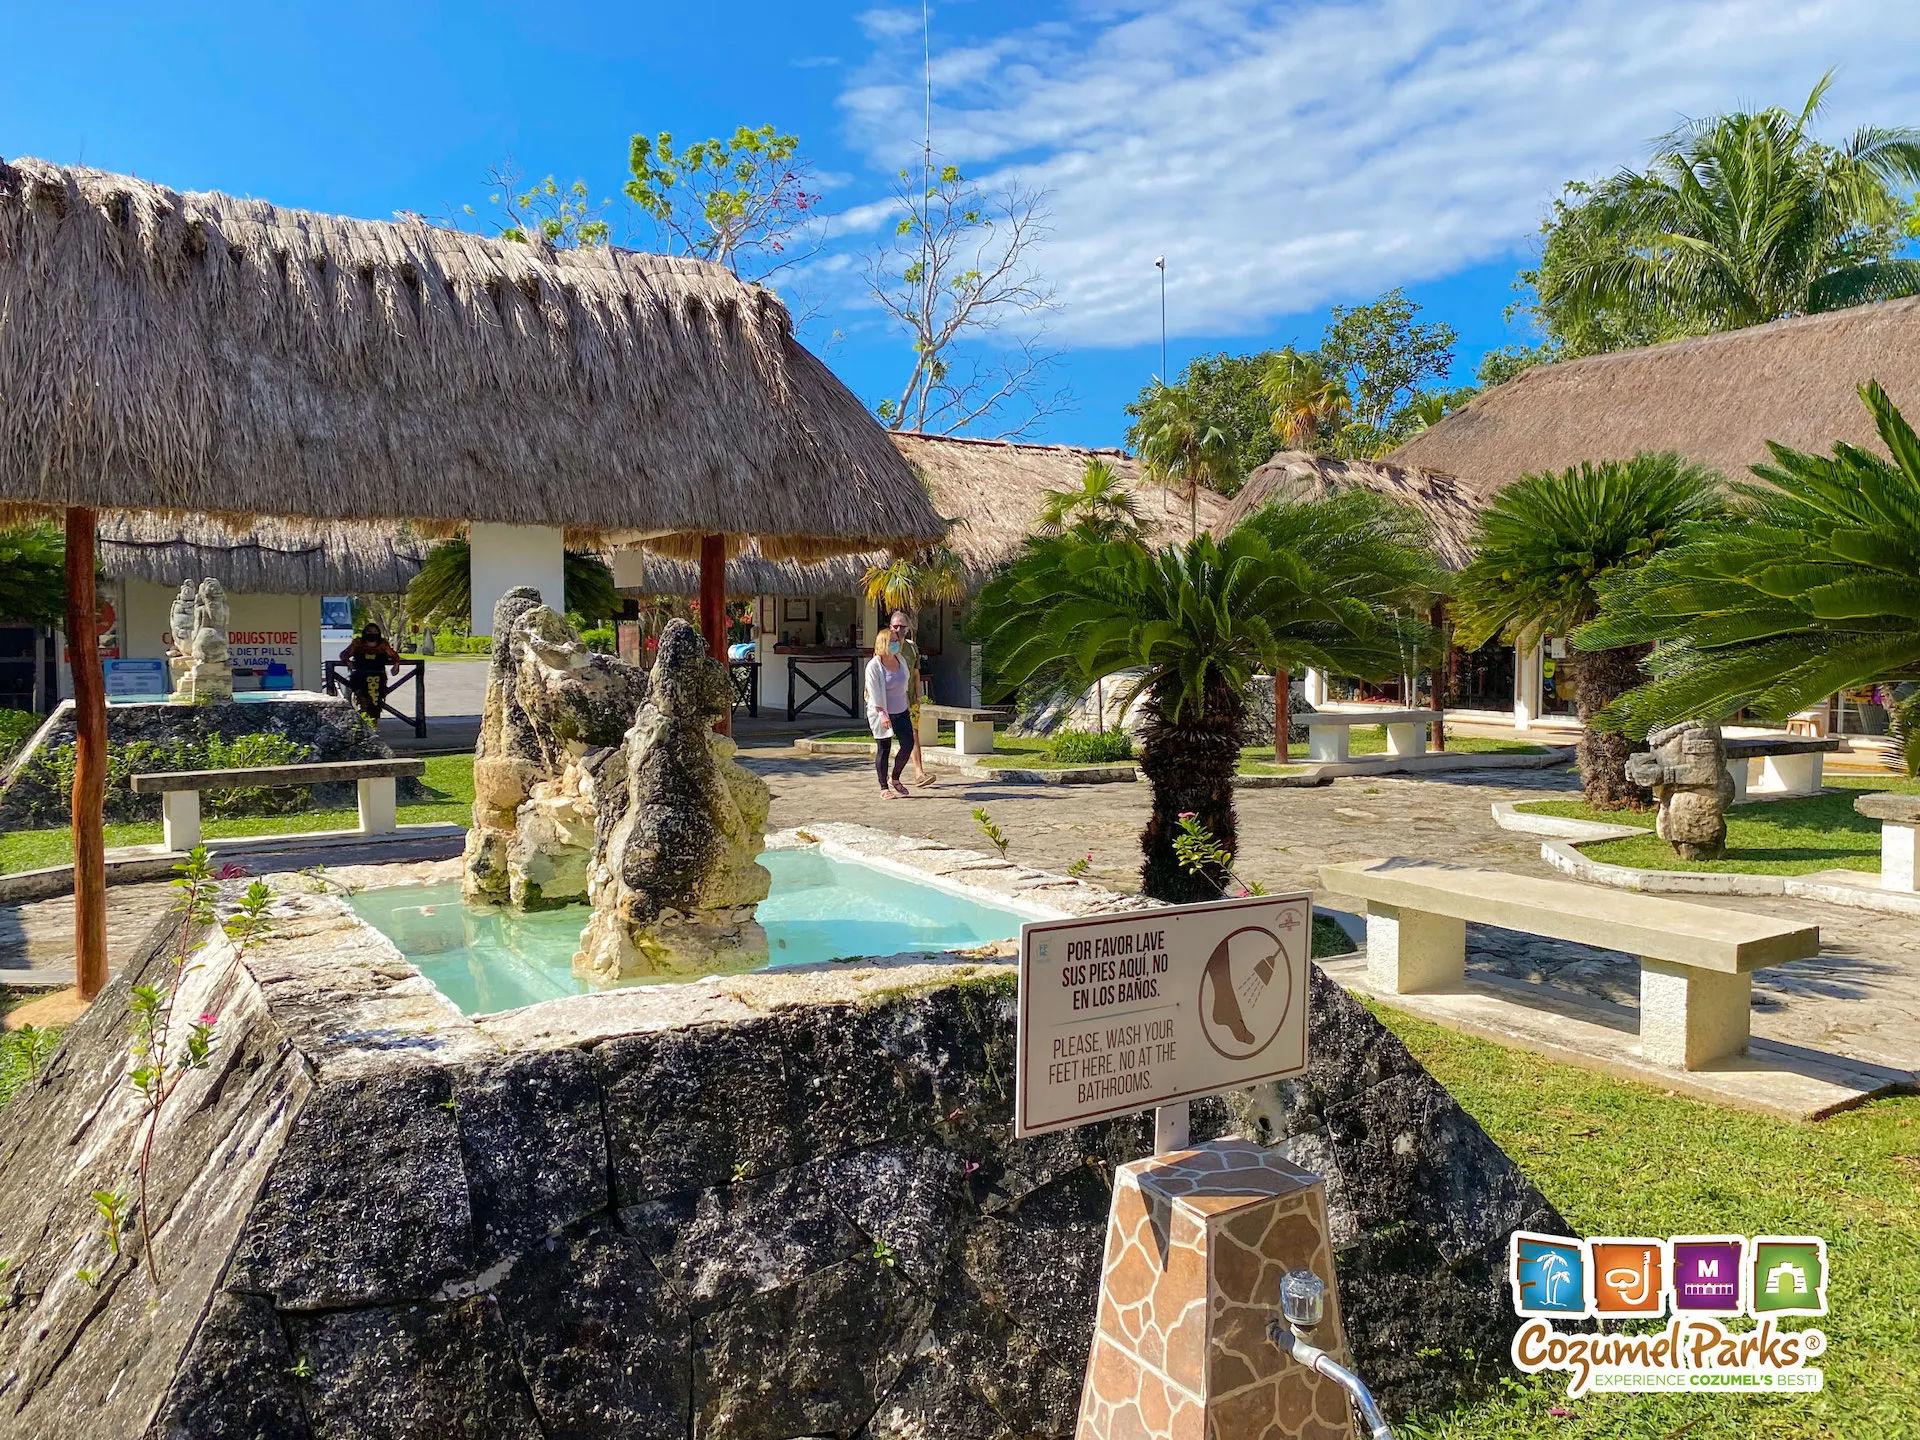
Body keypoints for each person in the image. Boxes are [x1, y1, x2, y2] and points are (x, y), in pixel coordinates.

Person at [890, 608, 936, 788]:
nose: (899, 630)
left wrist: (919, 696)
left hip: (908, 699)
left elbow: (916, 673)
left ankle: (919, 772)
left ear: (908, 628)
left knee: (914, 734)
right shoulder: (888, 645)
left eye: (902, 627)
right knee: (886, 739)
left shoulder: (911, 647)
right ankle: (889, 776)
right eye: (896, 626)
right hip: (891, 700)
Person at [865, 627, 914, 798]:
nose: (896, 643)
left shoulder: (900, 659)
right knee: (884, 748)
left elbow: (905, 684)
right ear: (883, 643)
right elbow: (874, 692)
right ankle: (883, 787)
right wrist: (882, 714)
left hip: (901, 710)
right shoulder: (874, 666)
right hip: (882, 712)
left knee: (908, 744)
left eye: (897, 640)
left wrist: (908, 704)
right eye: (892, 640)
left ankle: (896, 777)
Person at [339, 622, 401, 721]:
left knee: (376, 704)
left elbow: (394, 656)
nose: (372, 633)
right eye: (369, 631)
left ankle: (373, 725)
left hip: (378, 678)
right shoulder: (357, 643)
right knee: (362, 702)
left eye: (375, 631)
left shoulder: (383, 644)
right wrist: (348, 662)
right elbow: (344, 654)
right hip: (360, 677)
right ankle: (362, 726)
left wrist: (396, 665)